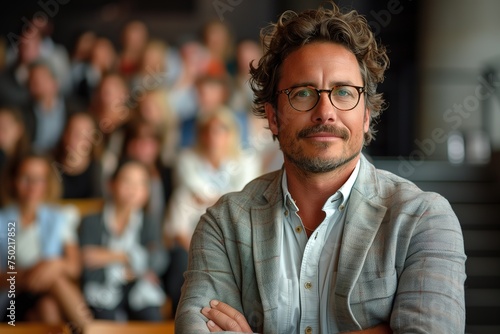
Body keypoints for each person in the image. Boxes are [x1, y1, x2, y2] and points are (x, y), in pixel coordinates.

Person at [175, 3, 467, 333]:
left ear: (366, 115)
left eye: (344, 92)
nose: (325, 111)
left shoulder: (422, 220)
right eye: (303, 93)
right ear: (273, 117)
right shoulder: (224, 224)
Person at [0, 154, 92, 330]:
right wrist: (28, 274)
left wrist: (55, 265)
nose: (33, 186)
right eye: (25, 178)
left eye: (39, 179)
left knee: (48, 306)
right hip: (11, 301)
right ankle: (91, 330)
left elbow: (74, 267)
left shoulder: (59, 218)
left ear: (47, 183)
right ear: (12, 181)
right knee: (54, 283)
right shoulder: (3, 221)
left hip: (48, 298)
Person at [79, 159, 165, 321]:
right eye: (127, 182)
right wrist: (138, 259)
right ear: (111, 184)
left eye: (140, 184)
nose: (133, 190)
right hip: (102, 290)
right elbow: (87, 261)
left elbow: (159, 258)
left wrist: (111, 257)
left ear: (147, 192)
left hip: (140, 288)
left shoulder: (149, 222)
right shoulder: (92, 221)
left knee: (152, 316)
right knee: (103, 317)